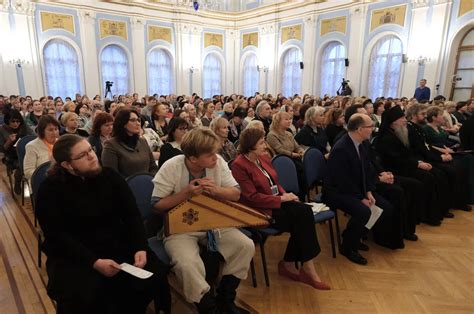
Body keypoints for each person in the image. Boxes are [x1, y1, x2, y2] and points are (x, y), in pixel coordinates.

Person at [35, 135, 170, 314]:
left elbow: (132, 216)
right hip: (74, 253)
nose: (92, 156)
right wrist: (94, 262)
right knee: (90, 293)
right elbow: (58, 236)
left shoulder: (110, 176)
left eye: (90, 149)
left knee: (154, 275)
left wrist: (140, 247)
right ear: (67, 165)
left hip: (115, 242)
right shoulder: (49, 190)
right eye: (82, 155)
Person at [152, 128, 255, 313]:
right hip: (180, 227)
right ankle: (207, 306)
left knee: (245, 245)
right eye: (210, 155)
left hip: (213, 221)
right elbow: (157, 205)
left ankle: (226, 298)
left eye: (215, 153)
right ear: (192, 158)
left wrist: (217, 191)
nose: (216, 158)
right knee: (186, 262)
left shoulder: (218, 162)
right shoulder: (172, 166)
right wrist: (186, 193)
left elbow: (236, 194)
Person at [231, 128, 330, 290]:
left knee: (303, 212)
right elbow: (252, 197)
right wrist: (282, 198)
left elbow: (275, 183)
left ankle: (296, 266)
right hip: (260, 209)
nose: (265, 145)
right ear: (250, 146)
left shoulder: (262, 158)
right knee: (301, 221)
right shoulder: (239, 165)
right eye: (261, 142)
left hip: (276, 201)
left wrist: (287, 194)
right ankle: (301, 267)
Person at [323, 114, 395, 265]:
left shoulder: (360, 144)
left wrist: (368, 191)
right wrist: (361, 197)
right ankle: (348, 248)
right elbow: (342, 181)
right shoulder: (342, 148)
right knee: (363, 210)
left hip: (354, 188)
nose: (373, 130)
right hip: (336, 191)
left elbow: (365, 172)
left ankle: (354, 235)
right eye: (370, 127)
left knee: (384, 207)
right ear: (360, 129)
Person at [375, 106, 449, 225]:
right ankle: (424, 215)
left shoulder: (399, 133)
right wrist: (417, 164)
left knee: (434, 174)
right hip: (395, 169)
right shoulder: (386, 138)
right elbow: (396, 159)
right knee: (425, 178)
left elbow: (407, 154)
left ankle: (431, 212)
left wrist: (419, 162)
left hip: (405, 166)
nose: (405, 120)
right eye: (402, 118)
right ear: (394, 122)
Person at [102, 108, 158, 177]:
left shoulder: (143, 141)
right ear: (123, 123)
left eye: (138, 120)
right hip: (125, 186)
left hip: (148, 184)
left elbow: (153, 167)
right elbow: (111, 176)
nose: (138, 123)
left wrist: (148, 181)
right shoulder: (111, 145)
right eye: (133, 120)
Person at [266, 112, 307, 200]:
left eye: (290, 119)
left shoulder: (288, 133)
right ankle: (298, 196)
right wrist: (293, 154)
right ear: (278, 121)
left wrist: (300, 151)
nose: (289, 121)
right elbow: (279, 150)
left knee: (304, 167)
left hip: (293, 159)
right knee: (300, 171)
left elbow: (296, 146)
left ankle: (302, 195)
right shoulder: (272, 135)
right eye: (286, 119)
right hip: (283, 162)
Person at [0, 110, 34, 194]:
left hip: (26, 151)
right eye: (13, 121)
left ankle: (34, 183)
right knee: (21, 164)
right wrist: (9, 141)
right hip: (11, 155)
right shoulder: (2, 129)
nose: (15, 124)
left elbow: (34, 137)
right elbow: (2, 149)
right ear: (8, 120)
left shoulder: (24, 126)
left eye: (18, 121)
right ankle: (17, 181)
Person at [23, 115, 60, 181]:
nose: (54, 132)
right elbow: (28, 172)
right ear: (42, 131)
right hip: (42, 181)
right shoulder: (32, 146)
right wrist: (47, 175)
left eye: (56, 129)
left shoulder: (60, 143)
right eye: (50, 130)